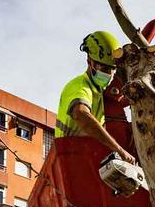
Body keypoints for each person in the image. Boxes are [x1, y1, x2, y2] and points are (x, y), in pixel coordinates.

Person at [56, 30, 135, 163]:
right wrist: (119, 150)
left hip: (85, 156)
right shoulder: (79, 86)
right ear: (89, 61)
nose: (109, 74)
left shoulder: (98, 92)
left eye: (112, 69)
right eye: (104, 68)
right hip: (71, 157)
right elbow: (80, 114)